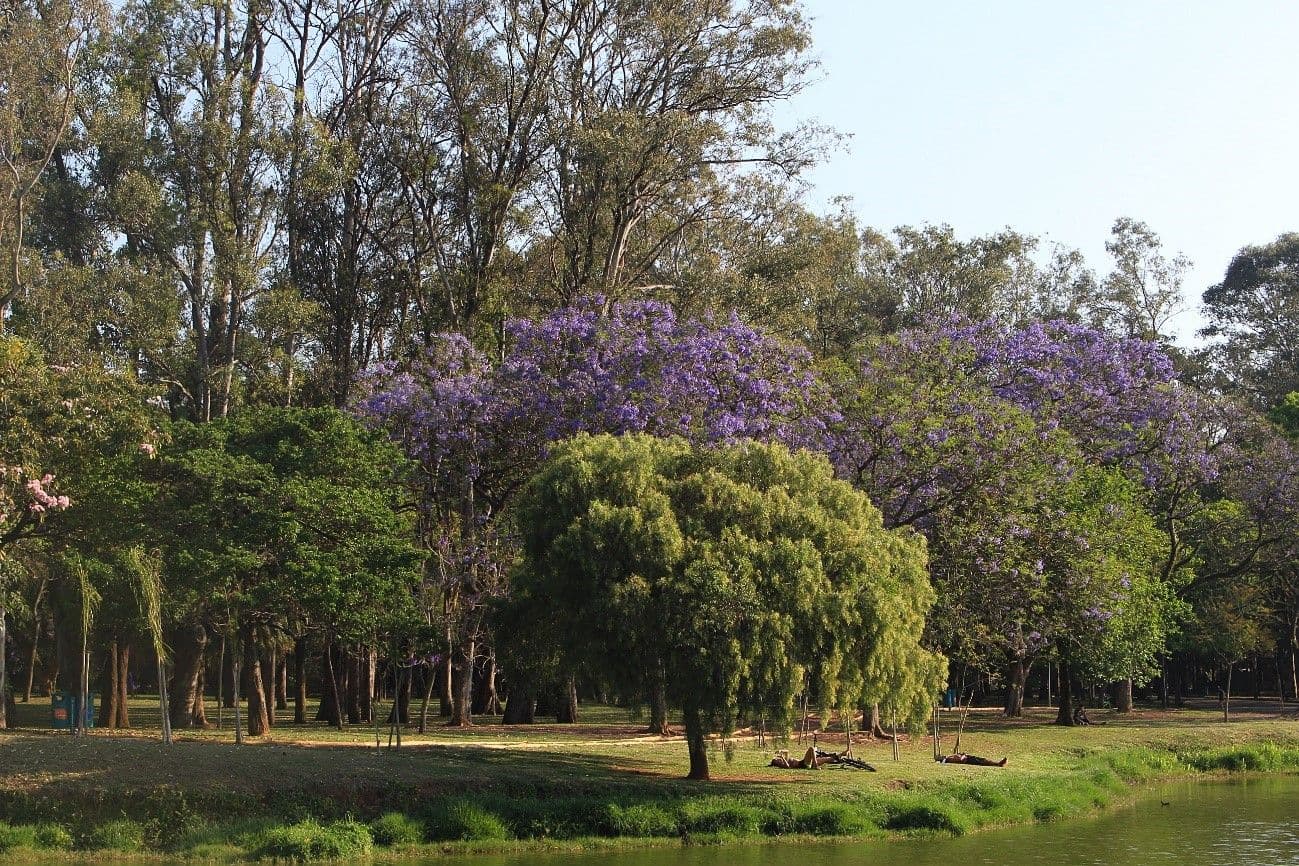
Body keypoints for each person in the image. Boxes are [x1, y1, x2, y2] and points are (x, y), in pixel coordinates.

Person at [770, 746, 837, 769]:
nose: (778, 759)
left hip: (805, 763)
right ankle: (815, 765)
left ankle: (841, 754)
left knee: (829, 758)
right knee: (811, 748)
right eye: (776, 760)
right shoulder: (782, 765)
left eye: (777, 759)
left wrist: (780, 751)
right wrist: (783, 758)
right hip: (802, 764)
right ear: (776, 763)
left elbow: (787, 752)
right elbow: (787, 767)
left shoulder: (785, 760)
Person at [938, 752, 1007, 767]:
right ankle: (998, 764)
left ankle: (998, 763)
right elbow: (960, 759)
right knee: (983, 761)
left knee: (984, 760)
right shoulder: (949, 759)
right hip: (968, 760)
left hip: (969, 758)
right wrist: (963, 755)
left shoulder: (949, 758)